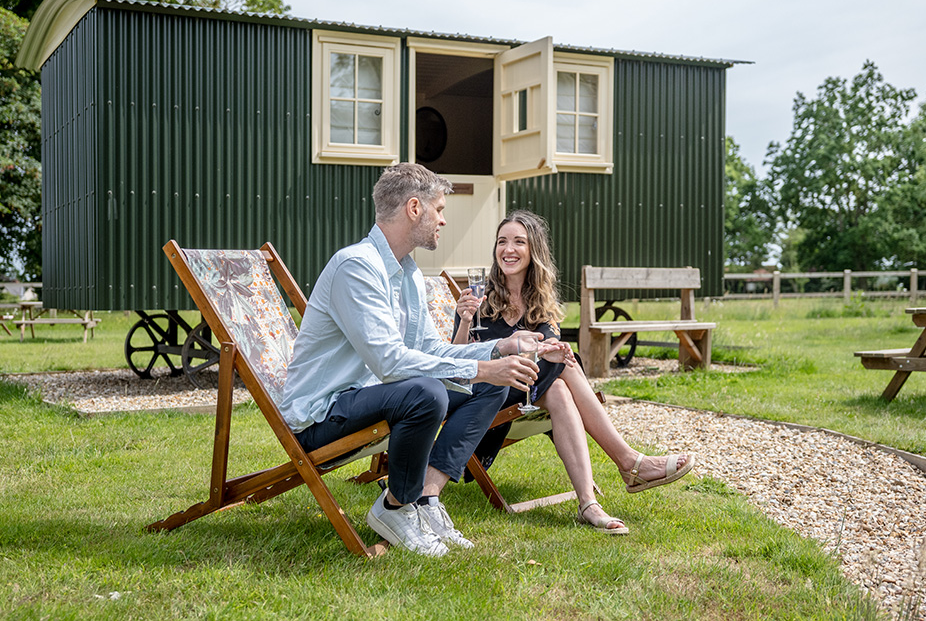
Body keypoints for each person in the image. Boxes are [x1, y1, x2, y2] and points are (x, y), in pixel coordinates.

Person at [279, 164, 554, 556]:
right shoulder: (356, 267)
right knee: (426, 393)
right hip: (322, 416)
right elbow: (391, 363)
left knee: (492, 383)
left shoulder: (406, 273)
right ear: (413, 208)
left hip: (373, 397)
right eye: (438, 209)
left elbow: (431, 350)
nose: (443, 220)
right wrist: (482, 365)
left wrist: (500, 349)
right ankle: (395, 505)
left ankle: (426, 498)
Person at [452, 210, 696, 535]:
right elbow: (456, 361)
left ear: (533, 250)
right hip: (484, 392)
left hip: (527, 388)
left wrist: (551, 350)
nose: (508, 249)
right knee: (563, 363)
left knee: (559, 386)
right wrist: (465, 320)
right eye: (502, 242)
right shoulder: (478, 298)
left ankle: (588, 504)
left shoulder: (539, 300)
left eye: (518, 242)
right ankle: (628, 462)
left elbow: (551, 345)